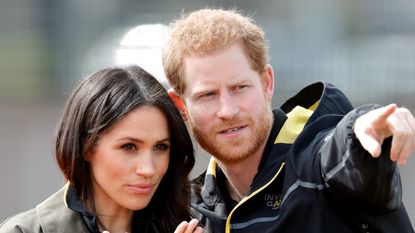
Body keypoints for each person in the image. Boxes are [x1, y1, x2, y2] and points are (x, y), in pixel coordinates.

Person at [162, 8, 415, 233]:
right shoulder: (191, 216)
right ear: (181, 106)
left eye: (239, 87)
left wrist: (361, 130)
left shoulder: (316, 162)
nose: (227, 110)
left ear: (267, 83)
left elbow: (341, 149)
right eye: (208, 95)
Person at [0, 66, 203, 233]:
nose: (148, 169)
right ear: (86, 147)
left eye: (160, 147)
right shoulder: (24, 231)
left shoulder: (194, 224)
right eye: (129, 147)